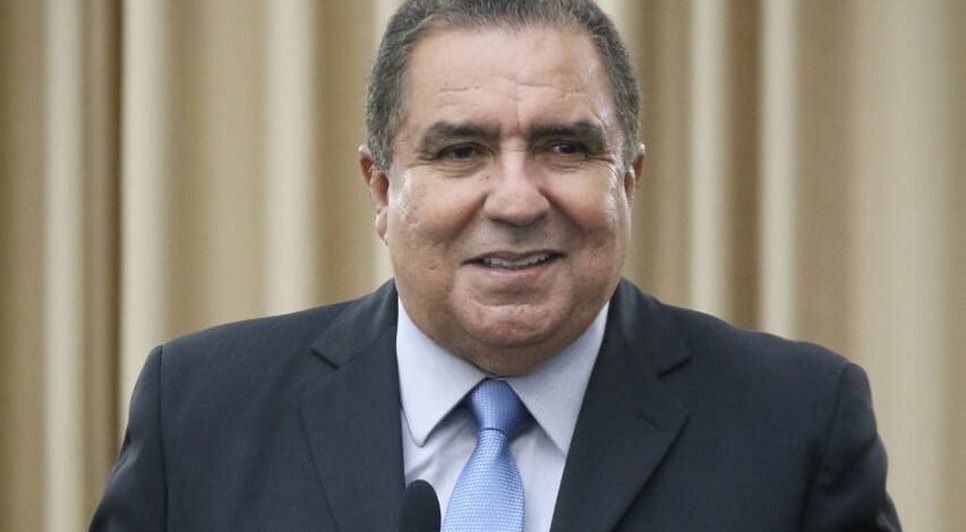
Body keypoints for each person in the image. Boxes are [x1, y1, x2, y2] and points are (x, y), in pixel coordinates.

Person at [90, 1, 901, 531]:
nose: (516, 199)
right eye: (461, 151)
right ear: (381, 188)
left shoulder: (795, 424)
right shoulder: (200, 414)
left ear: (628, 180)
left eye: (565, 147)